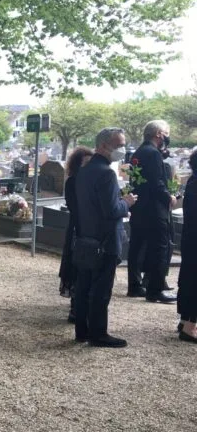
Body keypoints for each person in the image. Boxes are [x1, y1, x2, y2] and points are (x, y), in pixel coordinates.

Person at [73, 127, 137, 348]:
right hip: (105, 239)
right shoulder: (106, 173)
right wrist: (126, 203)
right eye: (118, 145)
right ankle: (98, 333)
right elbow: (111, 210)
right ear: (102, 146)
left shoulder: (85, 170)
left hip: (86, 237)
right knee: (101, 289)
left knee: (83, 287)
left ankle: (82, 330)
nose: (122, 149)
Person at [126, 120, 177, 303]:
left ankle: (134, 285)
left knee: (137, 246)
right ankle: (155, 290)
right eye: (166, 132)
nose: (167, 136)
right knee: (159, 248)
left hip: (140, 207)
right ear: (158, 134)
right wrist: (169, 198)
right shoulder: (153, 153)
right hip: (154, 210)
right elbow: (156, 183)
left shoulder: (139, 152)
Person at [58, 146, 93, 322]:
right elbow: (75, 206)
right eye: (85, 162)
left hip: (89, 228)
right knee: (75, 266)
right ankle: (75, 307)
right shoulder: (72, 181)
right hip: (77, 228)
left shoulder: (92, 180)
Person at [177, 150, 197, 342]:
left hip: (190, 237)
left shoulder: (192, 181)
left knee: (188, 276)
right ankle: (190, 326)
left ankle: (185, 320)